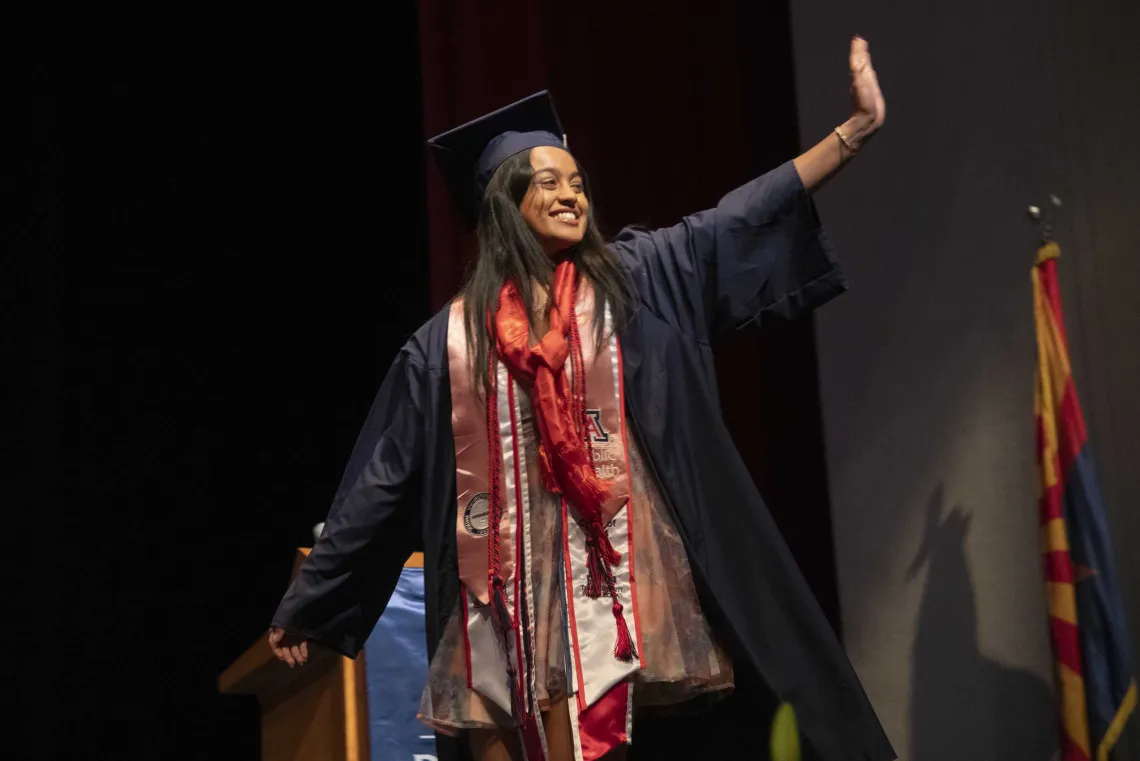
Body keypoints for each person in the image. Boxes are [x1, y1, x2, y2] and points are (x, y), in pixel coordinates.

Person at [269, 36, 893, 761]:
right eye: (548, 182)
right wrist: (313, 600)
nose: (572, 194)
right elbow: (383, 475)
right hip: (500, 602)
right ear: (503, 204)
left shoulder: (637, 280)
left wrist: (852, 132)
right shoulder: (448, 345)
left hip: (618, 583)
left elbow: (736, 218)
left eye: (577, 181)